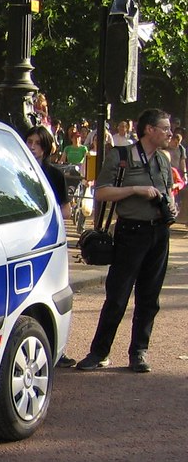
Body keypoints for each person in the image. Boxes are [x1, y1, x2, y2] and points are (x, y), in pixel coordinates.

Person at [76, 109, 178, 373]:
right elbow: (101, 192)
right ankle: (99, 352)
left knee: (149, 297)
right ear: (149, 130)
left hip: (159, 233)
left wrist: (170, 206)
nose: (170, 133)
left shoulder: (163, 160)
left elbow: (166, 192)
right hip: (131, 232)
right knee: (118, 296)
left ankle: (139, 352)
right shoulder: (121, 156)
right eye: (165, 128)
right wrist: (135, 190)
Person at [25, 125, 75, 368]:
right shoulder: (17, 172)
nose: (32, 147)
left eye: (37, 143)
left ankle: (57, 347)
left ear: (45, 148)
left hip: (48, 237)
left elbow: (65, 210)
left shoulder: (54, 175)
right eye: (29, 142)